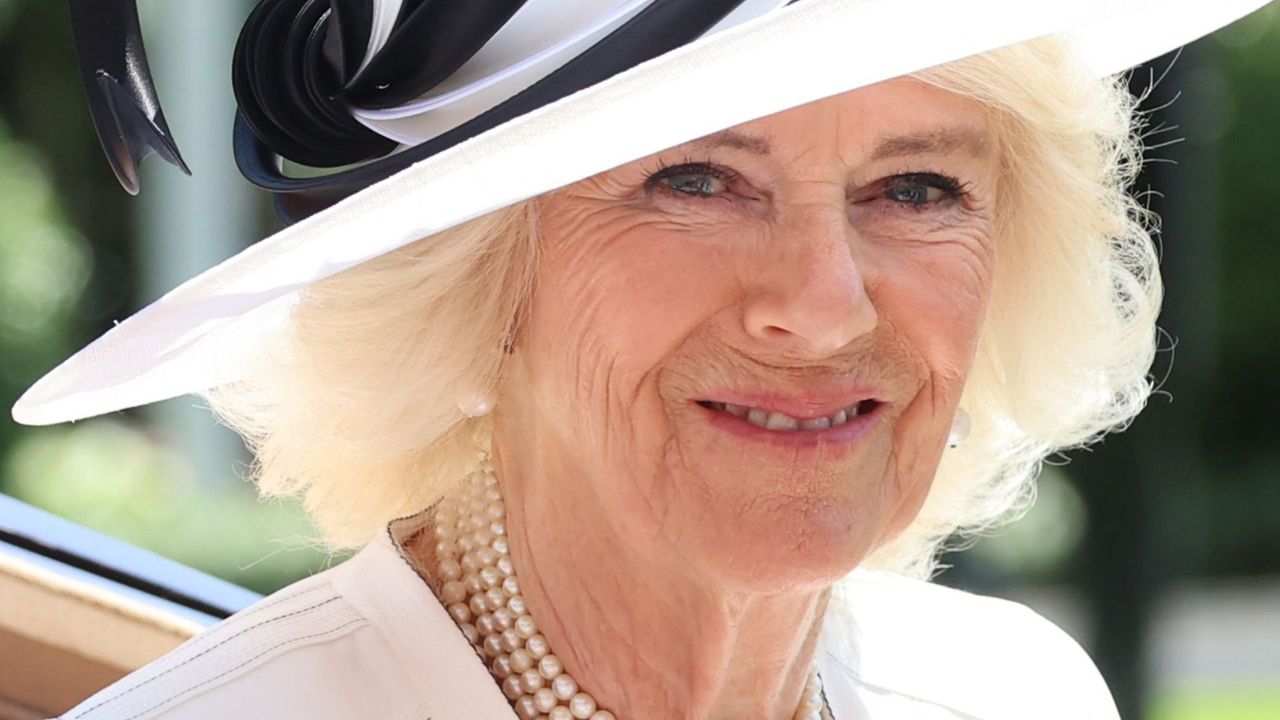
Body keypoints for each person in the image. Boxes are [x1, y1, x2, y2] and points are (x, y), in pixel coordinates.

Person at [13, 1, 1276, 718]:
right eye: (696, 180)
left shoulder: (1010, 696)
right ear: (479, 278)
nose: (823, 307)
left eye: (916, 186)